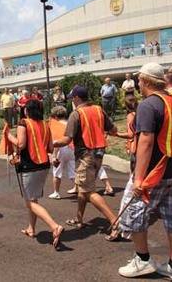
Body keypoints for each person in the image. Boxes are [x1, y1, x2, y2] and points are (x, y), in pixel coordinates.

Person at [117, 63, 172, 281]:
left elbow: (145, 143)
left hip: (155, 172)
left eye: (139, 79)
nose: (138, 83)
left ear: (146, 81)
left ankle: (143, 259)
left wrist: (138, 178)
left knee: (133, 213)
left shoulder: (148, 105)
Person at [53, 86, 121, 241]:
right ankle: (79, 218)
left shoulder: (76, 114)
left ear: (77, 98)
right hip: (99, 153)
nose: (71, 100)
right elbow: (113, 129)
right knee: (83, 189)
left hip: (85, 155)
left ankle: (115, 222)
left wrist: (52, 144)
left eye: (72, 98)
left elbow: (67, 139)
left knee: (88, 191)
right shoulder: (98, 110)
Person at [7, 99, 64, 249]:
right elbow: (51, 148)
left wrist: (8, 137)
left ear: (27, 111)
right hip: (44, 165)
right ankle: (31, 228)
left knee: (30, 201)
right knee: (33, 199)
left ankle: (54, 226)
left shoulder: (24, 123)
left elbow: (20, 144)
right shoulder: (46, 124)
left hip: (30, 165)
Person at [48, 106, 76, 199]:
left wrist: (54, 155)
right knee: (72, 171)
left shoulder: (55, 126)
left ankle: (56, 192)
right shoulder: (70, 124)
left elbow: (56, 141)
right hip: (72, 148)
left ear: (55, 116)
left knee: (57, 171)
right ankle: (82, 188)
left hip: (61, 149)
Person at [113, 95, 139, 175]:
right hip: (142, 143)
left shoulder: (130, 116)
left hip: (134, 144)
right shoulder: (140, 113)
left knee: (132, 172)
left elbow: (130, 134)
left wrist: (116, 134)